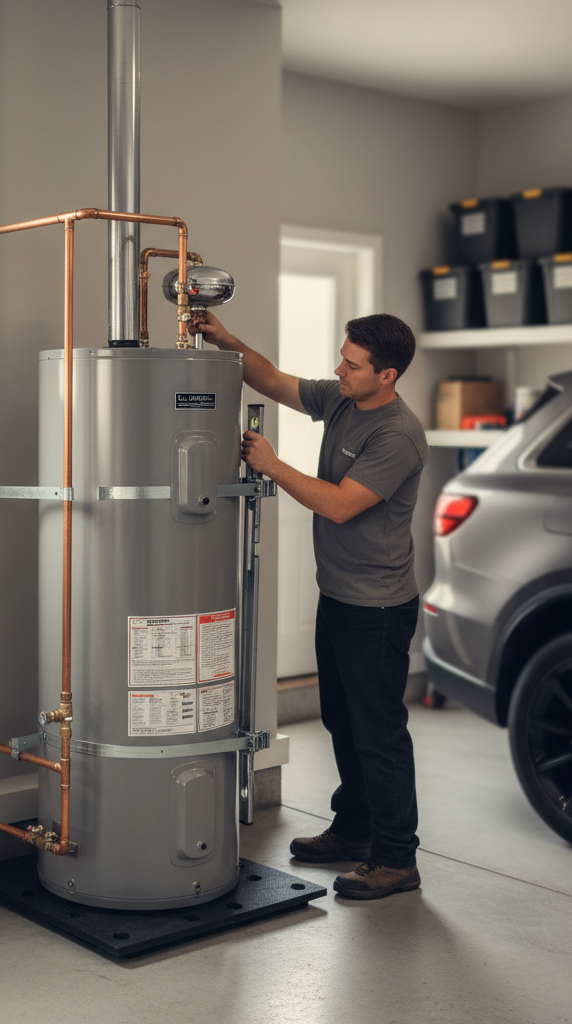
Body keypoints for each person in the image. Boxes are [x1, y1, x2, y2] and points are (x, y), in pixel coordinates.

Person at [192, 309, 427, 901]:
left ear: (388, 375)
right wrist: (225, 339)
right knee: (342, 722)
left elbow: (342, 505)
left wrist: (271, 464)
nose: (338, 371)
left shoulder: (395, 434)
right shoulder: (346, 398)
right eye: (341, 359)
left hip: (377, 607)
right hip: (341, 595)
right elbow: (271, 379)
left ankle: (397, 858)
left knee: (379, 732)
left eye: (352, 365)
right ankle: (355, 830)